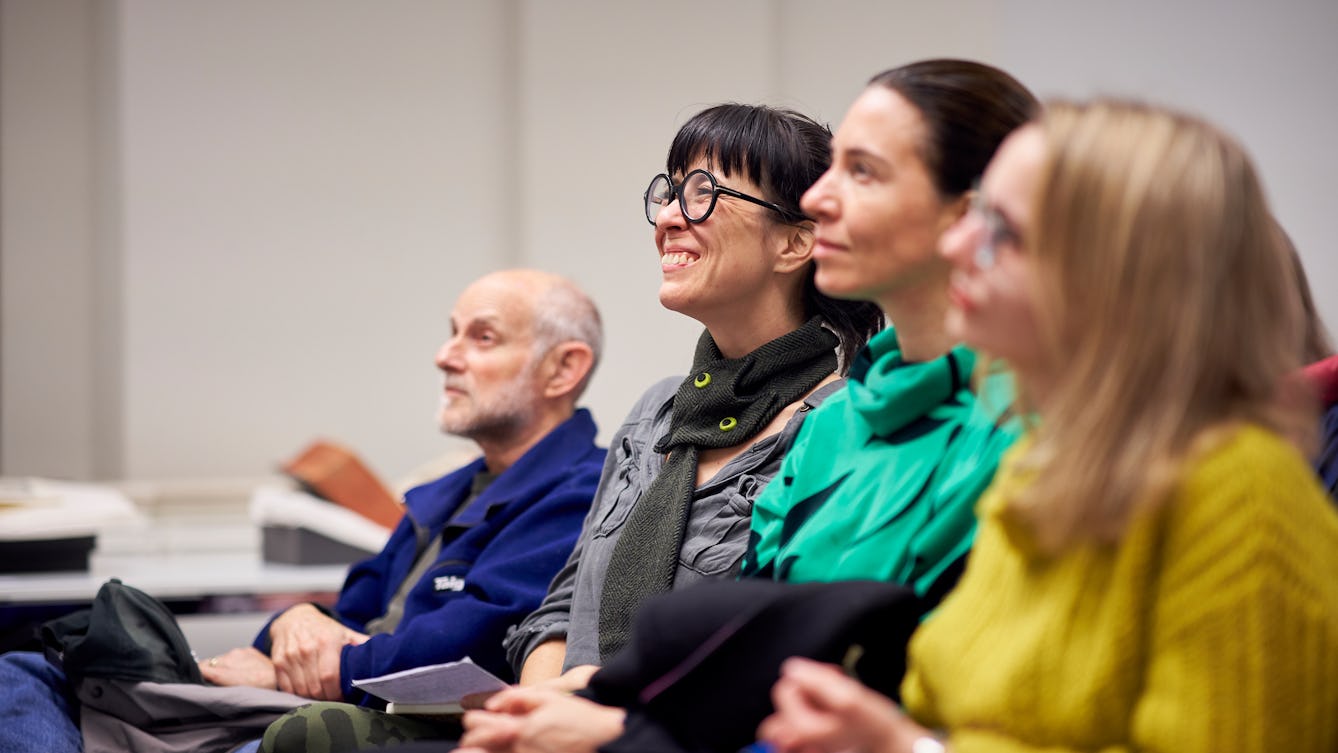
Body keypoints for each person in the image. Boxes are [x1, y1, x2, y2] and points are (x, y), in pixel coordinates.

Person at [451, 59, 1037, 753]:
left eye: (864, 171)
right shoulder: (824, 432)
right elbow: (743, 660)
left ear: (968, 217)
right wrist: (564, 703)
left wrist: (611, 719)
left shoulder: (989, 429)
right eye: (669, 192)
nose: (821, 199)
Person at [260, 102, 883, 752]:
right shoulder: (657, 414)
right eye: (669, 193)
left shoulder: (835, 427)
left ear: (796, 240)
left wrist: (592, 714)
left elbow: (772, 660)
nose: (669, 216)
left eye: (704, 195)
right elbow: (558, 608)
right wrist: (541, 710)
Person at [758, 100, 1338, 753]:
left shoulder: (1242, 494)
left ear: (1116, 272)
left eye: (999, 230)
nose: (955, 245)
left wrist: (903, 749)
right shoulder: (1048, 460)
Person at [0, 267, 608, 753]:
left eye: (481, 337)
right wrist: (293, 621)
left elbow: (469, 644)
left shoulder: (582, 491)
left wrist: (312, 663)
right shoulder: (453, 487)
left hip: (376, 713)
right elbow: (349, 605)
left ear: (564, 368)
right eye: (451, 331)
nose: (445, 356)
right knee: (25, 671)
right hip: (326, 692)